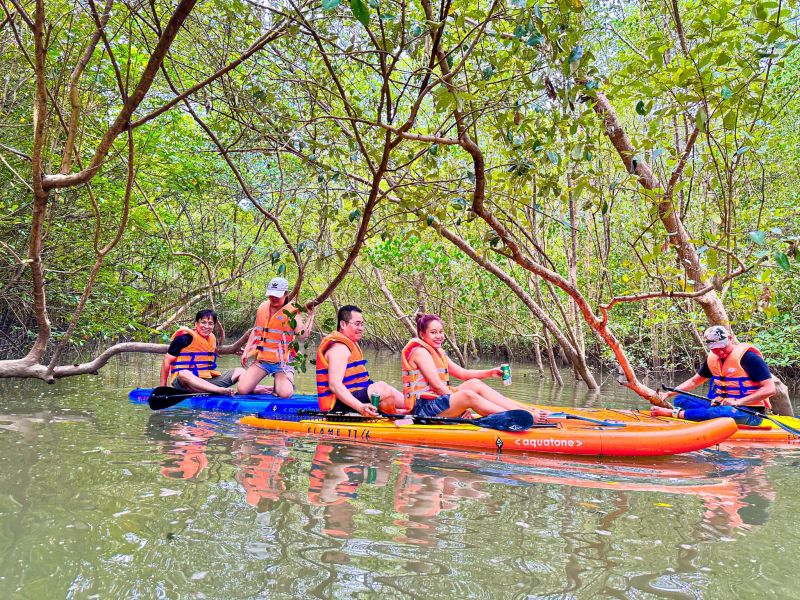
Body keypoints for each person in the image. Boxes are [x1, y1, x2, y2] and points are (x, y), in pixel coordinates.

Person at [401, 313, 550, 422]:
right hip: (423, 409)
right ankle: (518, 417)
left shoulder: (438, 352)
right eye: (433, 333)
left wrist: (491, 372)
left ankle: (525, 410)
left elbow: (463, 373)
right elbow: (438, 386)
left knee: (474, 384)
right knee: (467, 396)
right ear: (422, 334)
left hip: (436, 402)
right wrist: (462, 407)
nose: (439, 336)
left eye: (441, 332)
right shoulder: (420, 352)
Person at [652, 325, 775, 425]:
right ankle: (702, 414)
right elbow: (695, 381)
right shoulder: (713, 360)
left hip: (750, 412)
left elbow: (770, 389)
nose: (720, 352)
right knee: (681, 398)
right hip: (721, 405)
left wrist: (738, 402)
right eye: (715, 349)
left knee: (720, 412)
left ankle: (675, 414)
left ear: (730, 339)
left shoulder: (750, 358)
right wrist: (668, 393)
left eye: (722, 347)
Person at [316, 305, 407, 416]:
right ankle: (397, 415)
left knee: (391, 391)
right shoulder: (339, 349)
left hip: (355, 394)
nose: (361, 328)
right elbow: (335, 385)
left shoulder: (349, 344)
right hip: (338, 404)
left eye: (362, 324)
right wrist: (360, 407)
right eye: (357, 324)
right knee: (381, 388)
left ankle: (411, 410)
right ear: (343, 324)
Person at [237, 277, 315, 397]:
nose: (273, 298)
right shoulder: (262, 307)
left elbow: (303, 336)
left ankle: (281, 383)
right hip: (262, 359)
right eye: (271, 295)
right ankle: (265, 388)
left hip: (282, 362)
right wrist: (246, 351)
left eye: (277, 295)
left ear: (286, 293)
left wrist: (311, 316)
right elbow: (255, 331)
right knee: (242, 389)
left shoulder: (292, 312)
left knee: (285, 394)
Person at [159, 309, 244, 395]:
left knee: (240, 371)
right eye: (203, 322)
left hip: (207, 381)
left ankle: (250, 390)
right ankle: (218, 390)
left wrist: (233, 350)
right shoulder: (184, 339)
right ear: (196, 324)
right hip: (184, 383)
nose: (206, 326)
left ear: (214, 326)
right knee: (184, 373)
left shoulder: (212, 339)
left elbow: (213, 351)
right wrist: (162, 388)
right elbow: (166, 361)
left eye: (210, 323)